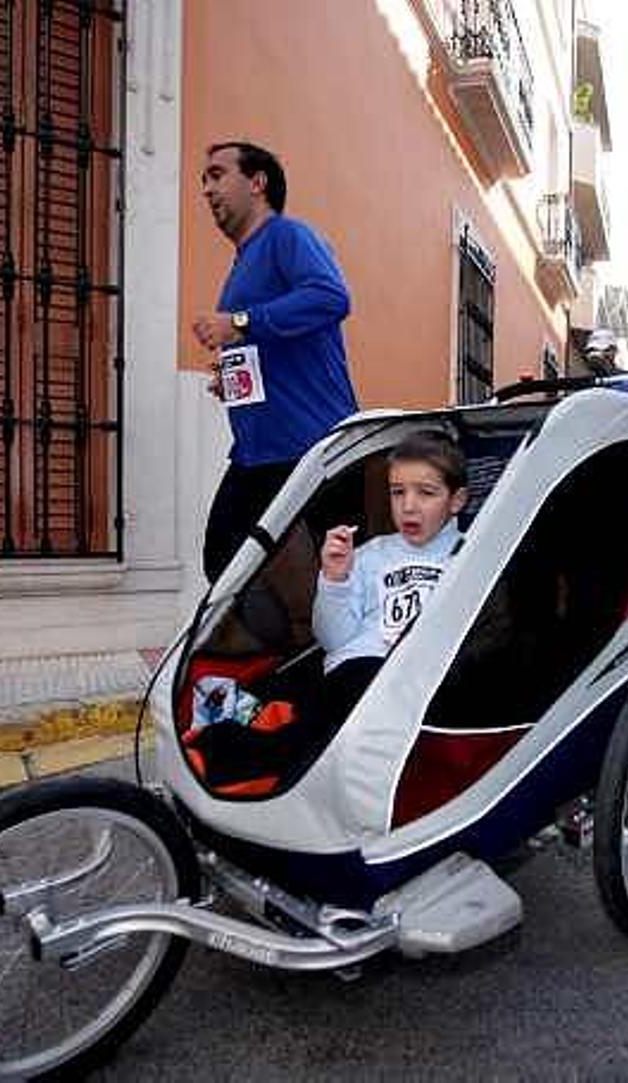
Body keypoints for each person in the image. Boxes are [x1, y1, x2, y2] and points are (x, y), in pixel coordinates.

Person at [194, 140, 358, 584]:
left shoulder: (289, 236)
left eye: (217, 175)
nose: (206, 189)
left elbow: (331, 297)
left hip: (312, 450)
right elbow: (267, 341)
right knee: (224, 566)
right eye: (203, 180)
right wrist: (231, 377)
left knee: (338, 577)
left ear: (257, 182)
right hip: (257, 454)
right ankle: (295, 647)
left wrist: (240, 322)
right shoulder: (241, 265)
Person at [312, 431, 469, 719]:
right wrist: (335, 580)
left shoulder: (470, 554)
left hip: (426, 682)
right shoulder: (369, 555)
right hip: (359, 674)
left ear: (456, 501)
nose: (408, 506)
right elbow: (333, 640)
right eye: (398, 492)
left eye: (426, 493)